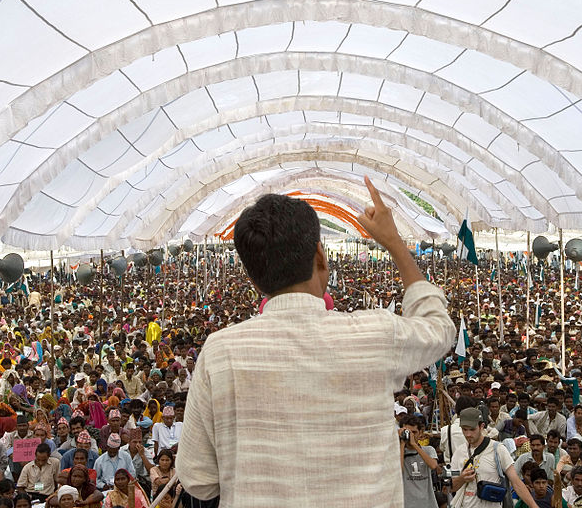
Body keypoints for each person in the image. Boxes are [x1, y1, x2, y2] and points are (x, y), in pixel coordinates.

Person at [177, 180, 456, 505]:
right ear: (321, 256)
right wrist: (394, 243)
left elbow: (198, 479)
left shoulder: (219, 353)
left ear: (253, 277)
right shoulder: (373, 334)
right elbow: (438, 328)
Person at [449, 407, 542, 508]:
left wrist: (534, 506)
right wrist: (462, 479)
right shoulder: (459, 452)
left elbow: (516, 482)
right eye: (464, 429)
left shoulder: (498, 449)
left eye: (472, 429)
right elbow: (450, 488)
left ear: (482, 426)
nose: (468, 434)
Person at [398, 414, 437, 508]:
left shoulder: (428, 450)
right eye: (408, 432)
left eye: (414, 432)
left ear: (420, 432)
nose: (411, 435)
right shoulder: (399, 453)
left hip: (427, 502)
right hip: (407, 503)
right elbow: (398, 471)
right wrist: (402, 443)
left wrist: (414, 444)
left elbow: (433, 465)